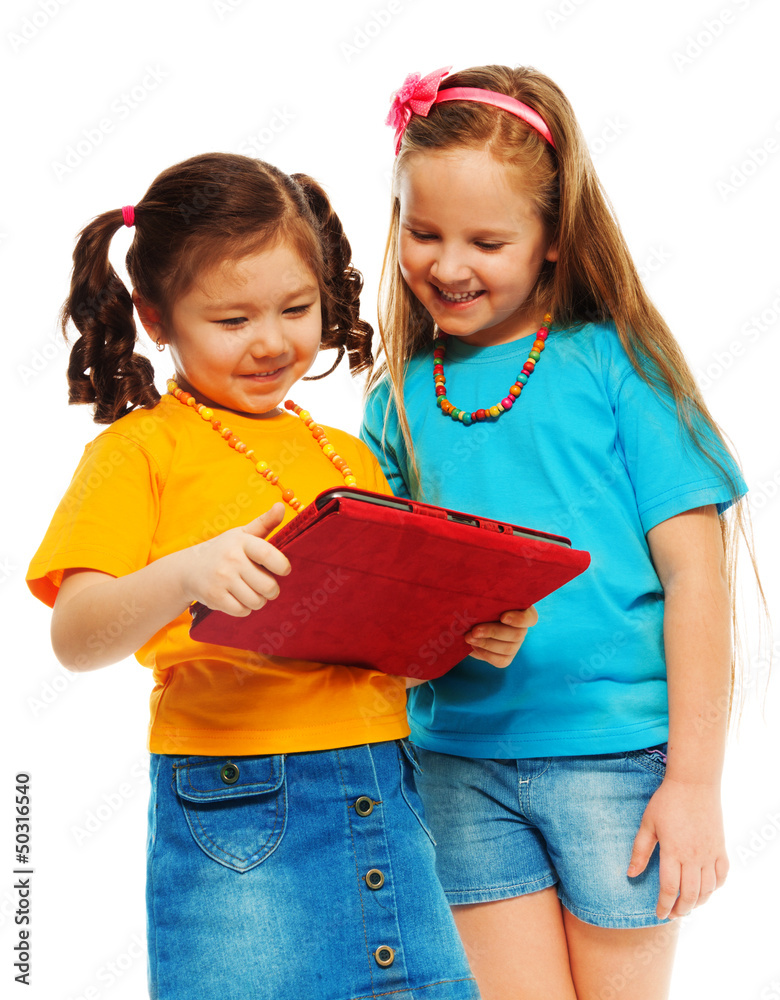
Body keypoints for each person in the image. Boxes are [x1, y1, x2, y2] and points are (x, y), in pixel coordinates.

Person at [26, 152, 534, 1000]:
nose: (271, 341)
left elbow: (391, 654)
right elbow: (76, 637)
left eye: (296, 309)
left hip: (384, 782)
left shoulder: (350, 457)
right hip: (240, 799)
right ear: (157, 317)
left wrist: (463, 634)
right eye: (231, 320)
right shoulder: (138, 452)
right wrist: (185, 573)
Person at [361, 65, 750, 1000]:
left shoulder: (618, 366)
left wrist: (695, 786)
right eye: (423, 233)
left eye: (486, 240)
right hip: (457, 765)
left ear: (550, 241)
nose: (447, 265)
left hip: (617, 760)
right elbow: (388, 609)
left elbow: (699, 582)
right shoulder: (398, 401)